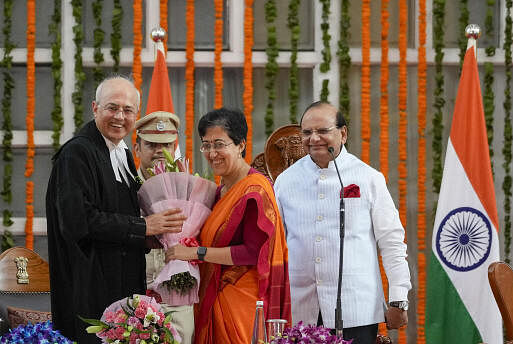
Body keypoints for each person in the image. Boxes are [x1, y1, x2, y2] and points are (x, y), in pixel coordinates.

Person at [46, 75, 186, 343]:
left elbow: (119, 214)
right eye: (112, 107)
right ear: (95, 108)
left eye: (128, 109)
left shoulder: (121, 153)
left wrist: (153, 237)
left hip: (123, 293)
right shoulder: (77, 153)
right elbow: (78, 221)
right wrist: (144, 226)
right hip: (90, 291)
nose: (120, 116)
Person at [273, 101, 412, 344]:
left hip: (356, 309)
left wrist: (399, 299)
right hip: (301, 309)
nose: (314, 138)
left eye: (323, 131)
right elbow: (275, 246)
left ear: (343, 133)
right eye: (307, 133)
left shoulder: (368, 178)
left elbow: (392, 242)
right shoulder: (286, 181)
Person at [165, 108, 291, 344]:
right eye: (206, 145)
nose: (212, 153)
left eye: (219, 144)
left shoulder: (255, 190)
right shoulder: (218, 190)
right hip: (213, 296)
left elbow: (253, 252)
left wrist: (196, 252)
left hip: (240, 303)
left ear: (241, 145)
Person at [133, 111, 195, 344]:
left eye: (167, 144)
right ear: (137, 149)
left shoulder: (187, 186)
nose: (160, 150)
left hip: (177, 293)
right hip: (135, 289)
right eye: (151, 144)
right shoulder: (124, 188)